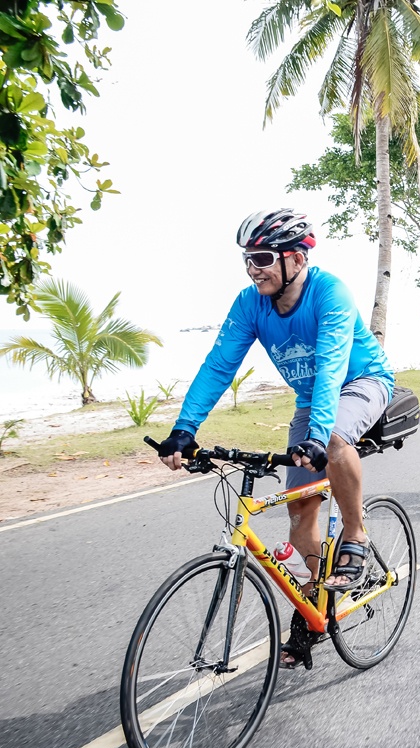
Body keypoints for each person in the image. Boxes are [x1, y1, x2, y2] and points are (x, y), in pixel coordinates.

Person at [157, 208, 396, 671]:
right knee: (299, 510)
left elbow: (331, 366)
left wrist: (317, 436)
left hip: (363, 382)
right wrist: (185, 430)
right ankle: (315, 605)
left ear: (296, 258)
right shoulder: (251, 304)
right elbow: (219, 365)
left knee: (331, 441)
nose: (254, 268)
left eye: (263, 257)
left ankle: (356, 533)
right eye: (248, 259)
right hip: (313, 400)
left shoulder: (330, 293)